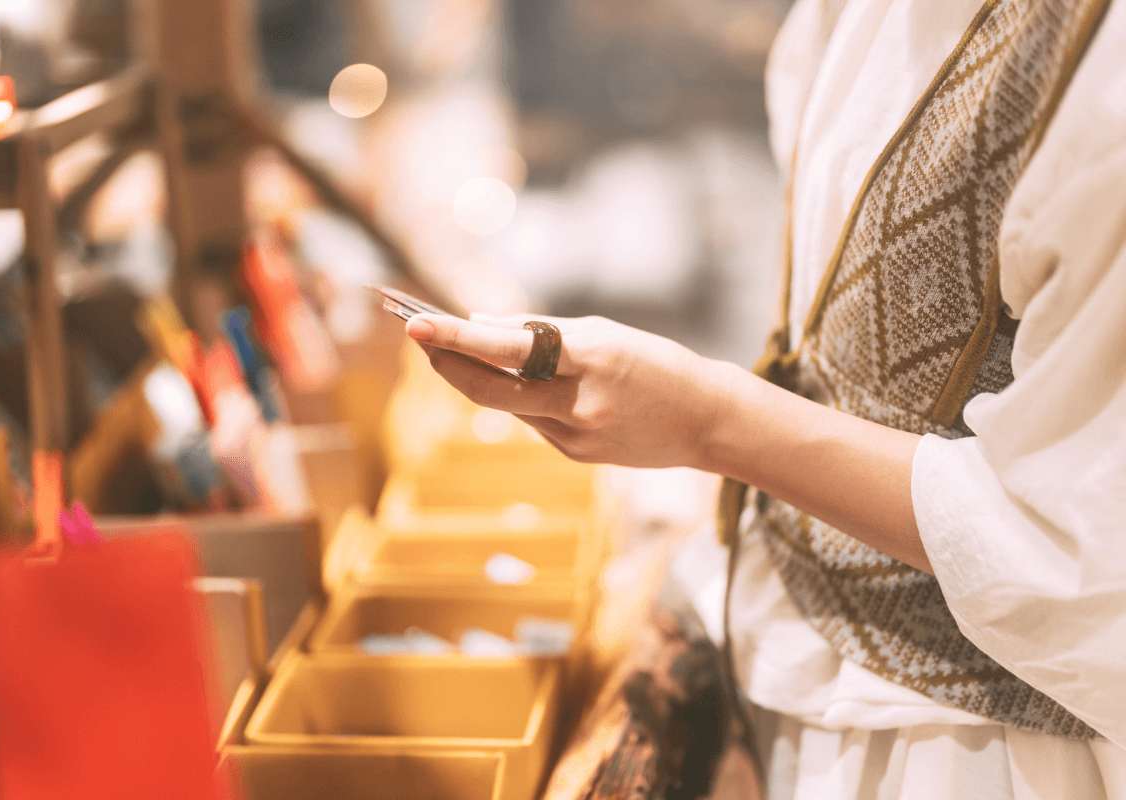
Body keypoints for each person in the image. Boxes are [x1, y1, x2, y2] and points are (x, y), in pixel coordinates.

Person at [404, 0, 1126, 796]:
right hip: (801, 683)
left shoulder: (1102, 76)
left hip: (973, 755)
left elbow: (1085, 558)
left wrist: (713, 422)